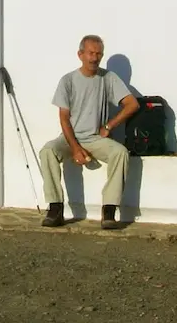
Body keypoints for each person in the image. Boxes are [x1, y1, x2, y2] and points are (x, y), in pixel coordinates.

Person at [39, 35, 140, 230]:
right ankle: (55, 208)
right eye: (91, 53)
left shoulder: (108, 78)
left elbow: (132, 104)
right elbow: (64, 118)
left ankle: (109, 211)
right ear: (80, 54)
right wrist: (75, 148)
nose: (95, 58)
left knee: (120, 153)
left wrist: (109, 126)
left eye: (99, 54)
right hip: (70, 138)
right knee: (47, 151)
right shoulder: (67, 80)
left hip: (95, 138)